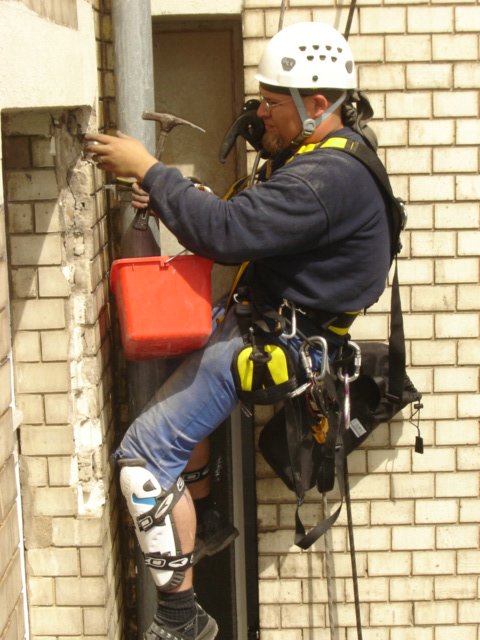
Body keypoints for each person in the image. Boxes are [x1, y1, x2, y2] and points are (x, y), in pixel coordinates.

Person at [86, 21, 391, 640]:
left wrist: (151, 169)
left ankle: (181, 619)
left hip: (271, 341)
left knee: (143, 460)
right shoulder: (331, 157)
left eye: (271, 103)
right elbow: (249, 219)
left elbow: (227, 233)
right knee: (178, 402)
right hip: (262, 321)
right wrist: (180, 196)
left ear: (316, 104)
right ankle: (204, 516)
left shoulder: (325, 178)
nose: (260, 114)